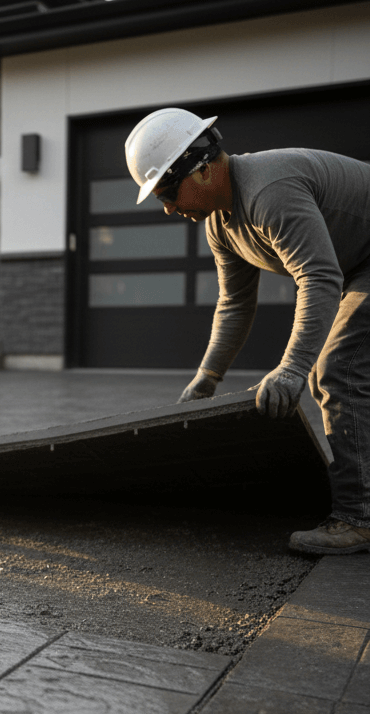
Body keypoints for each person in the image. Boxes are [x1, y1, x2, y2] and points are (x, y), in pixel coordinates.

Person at [125, 107, 370, 554]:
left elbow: (319, 277)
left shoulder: (268, 190)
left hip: (359, 265)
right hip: (356, 266)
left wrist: (291, 367)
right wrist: (207, 378)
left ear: (199, 169)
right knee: (336, 372)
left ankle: (359, 518)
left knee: (337, 370)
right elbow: (236, 303)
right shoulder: (221, 223)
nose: (167, 208)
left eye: (166, 191)